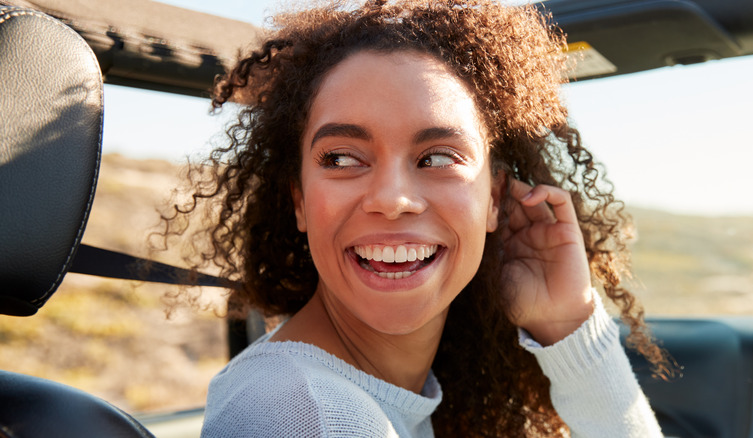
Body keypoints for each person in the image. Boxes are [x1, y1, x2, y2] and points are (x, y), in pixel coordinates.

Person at [165, 0, 671, 436]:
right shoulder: (307, 412)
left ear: (494, 198)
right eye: (341, 159)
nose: (392, 199)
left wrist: (566, 325)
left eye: (437, 158)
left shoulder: (387, 395)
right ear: (298, 199)